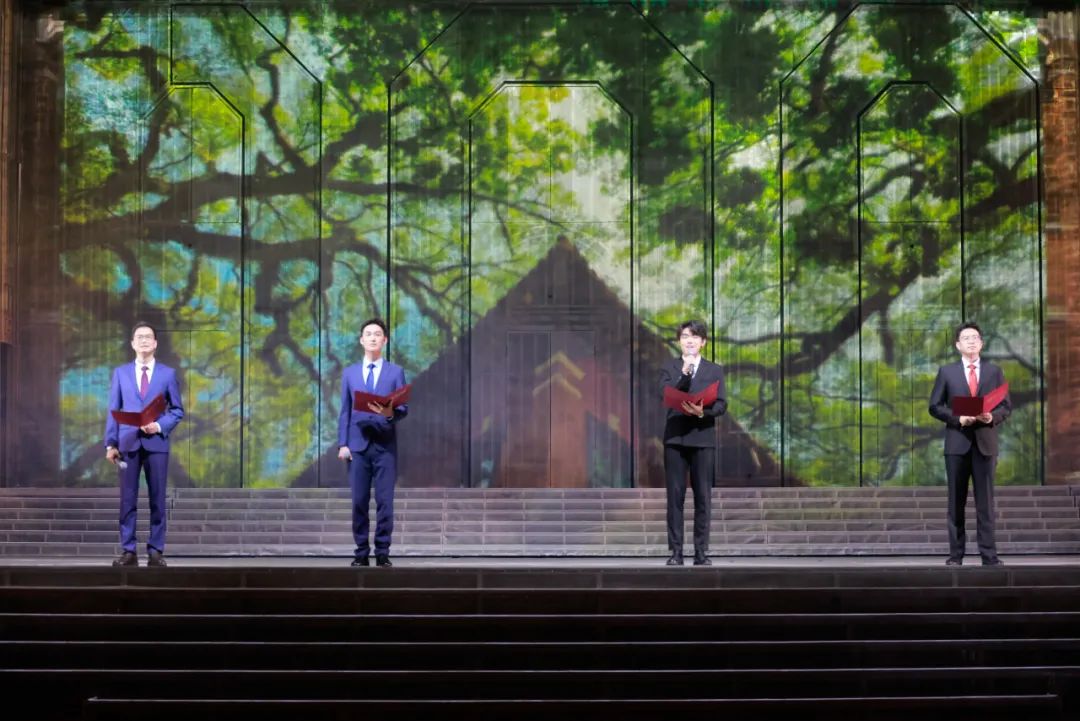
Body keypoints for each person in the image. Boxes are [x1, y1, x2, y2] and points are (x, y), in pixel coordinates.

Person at [928, 321, 1011, 566]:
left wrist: (991, 417)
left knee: (986, 503)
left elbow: (1006, 406)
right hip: (957, 443)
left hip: (985, 443)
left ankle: (989, 556)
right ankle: (956, 556)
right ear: (958, 345)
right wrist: (958, 418)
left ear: (982, 343)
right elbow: (935, 406)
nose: (971, 341)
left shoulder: (994, 372)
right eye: (966, 338)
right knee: (956, 502)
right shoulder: (947, 372)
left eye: (975, 337)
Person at [104, 322, 184, 567]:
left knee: (157, 499)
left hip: (156, 443)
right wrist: (110, 444)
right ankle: (128, 550)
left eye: (148, 336)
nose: (144, 340)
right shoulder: (121, 373)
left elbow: (177, 410)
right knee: (127, 500)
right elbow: (114, 409)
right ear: (132, 343)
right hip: (127, 443)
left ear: (156, 343)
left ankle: (156, 550)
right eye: (139, 337)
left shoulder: (167, 374)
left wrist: (158, 426)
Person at [337, 318, 408, 567]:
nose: (373, 337)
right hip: (357, 446)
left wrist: (385, 411)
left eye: (377, 334)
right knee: (358, 501)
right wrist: (342, 444)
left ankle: (382, 552)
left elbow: (402, 409)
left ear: (384, 340)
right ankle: (361, 552)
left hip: (384, 446)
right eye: (368, 334)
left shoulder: (395, 372)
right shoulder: (350, 373)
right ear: (361, 340)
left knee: (385, 502)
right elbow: (345, 411)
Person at [659, 320, 727, 566]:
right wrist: (685, 374)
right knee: (675, 497)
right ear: (679, 341)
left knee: (703, 498)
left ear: (703, 342)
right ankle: (676, 552)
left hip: (702, 437)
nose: (690, 341)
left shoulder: (714, 370)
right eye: (685, 336)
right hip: (676, 438)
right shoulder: (670, 367)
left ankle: (701, 552)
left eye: (695, 337)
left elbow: (721, 404)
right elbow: (665, 394)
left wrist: (703, 413)